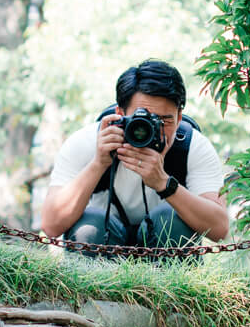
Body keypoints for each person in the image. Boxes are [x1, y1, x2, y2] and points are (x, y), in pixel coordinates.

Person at [39, 60, 229, 252]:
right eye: (142, 119)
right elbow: (51, 226)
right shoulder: (86, 142)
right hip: (103, 245)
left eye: (164, 120)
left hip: (166, 252)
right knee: (90, 226)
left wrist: (164, 184)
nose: (153, 129)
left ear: (179, 118)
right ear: (120, 113)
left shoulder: (191, 146)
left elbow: (220, 229)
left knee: (169, 219)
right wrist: (98, 163)